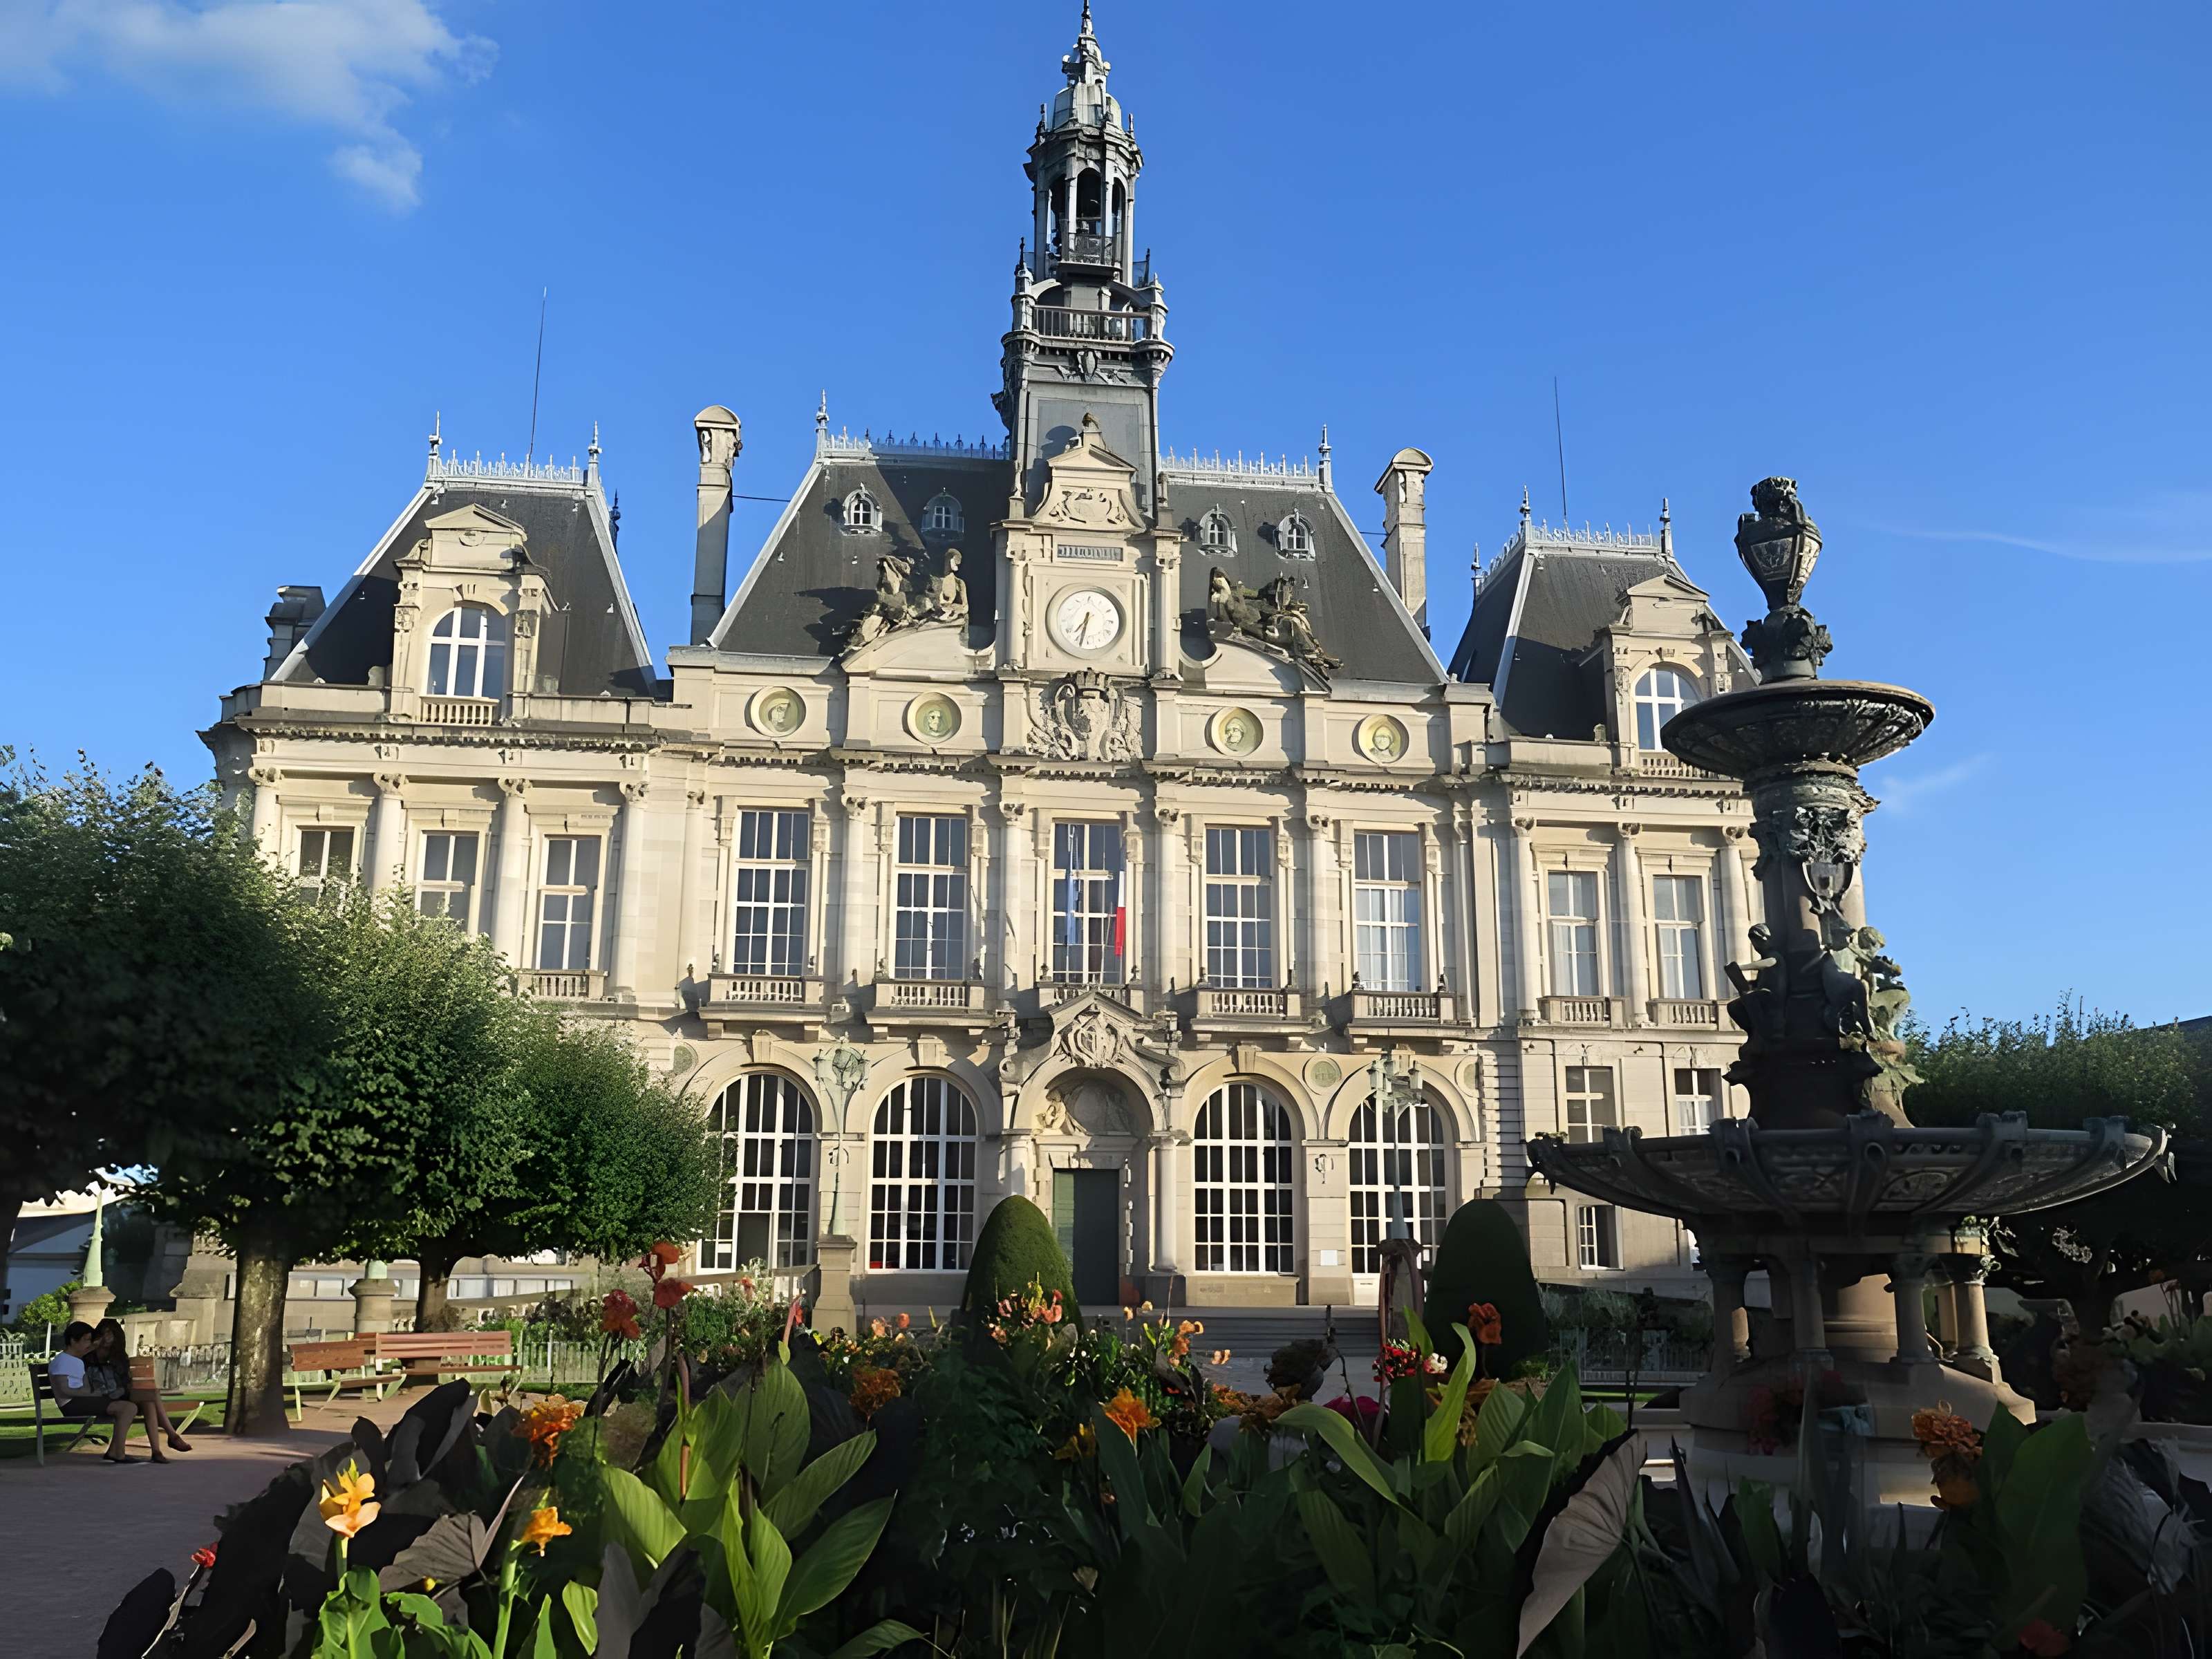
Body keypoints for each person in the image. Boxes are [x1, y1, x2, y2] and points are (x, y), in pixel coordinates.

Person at [46, 1322, 147, 1465]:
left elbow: (85, 1385)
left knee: (129, 1407)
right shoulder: (62, 1361)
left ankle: (115, 1452)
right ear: (73, 1341)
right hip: (72, 1405)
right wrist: (91, 1394)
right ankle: (117, 1453)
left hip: (82, 1401)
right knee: (128, 1408)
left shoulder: (77, 1360)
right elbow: (65, 1390)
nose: (90, 1344)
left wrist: (92, 1393)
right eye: (86, 1340)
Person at [91, 1317, 194, 1456]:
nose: (108, 1336)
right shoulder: (92, 1355)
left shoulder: (118, 1355)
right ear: (99, 1334)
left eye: (111, 1332)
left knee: (149, 1403)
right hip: (108, 1396)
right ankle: (172, 1435)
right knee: (153, 1395)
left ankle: (156, 1451)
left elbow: (126, 1380)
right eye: (105, 1332)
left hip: (122, 1394)